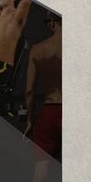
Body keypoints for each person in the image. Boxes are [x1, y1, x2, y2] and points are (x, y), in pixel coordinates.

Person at [25, 11, 62, 159]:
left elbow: (29, 90)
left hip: (49, 111)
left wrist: (29, 120)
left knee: (41, 171)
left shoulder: (37, 50)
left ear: (53, 22)